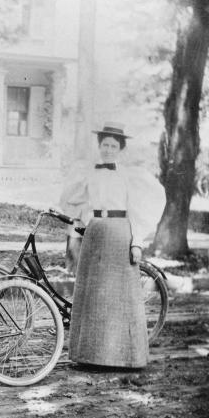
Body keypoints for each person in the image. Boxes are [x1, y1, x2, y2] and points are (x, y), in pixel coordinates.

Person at [60, 121, 166, 369]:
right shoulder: (88, 173)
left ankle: (123, 357)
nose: (108, 149)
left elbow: (139, 212)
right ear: (99, 147)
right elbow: (73, 203)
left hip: (120, 233)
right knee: (92, 295)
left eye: (113, 146)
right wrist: (74, 236)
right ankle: (90, 355)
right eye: (104, 145)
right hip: (95, 232)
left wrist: (137, 243)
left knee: (119, 296)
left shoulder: (130, 176)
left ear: (120, 149)